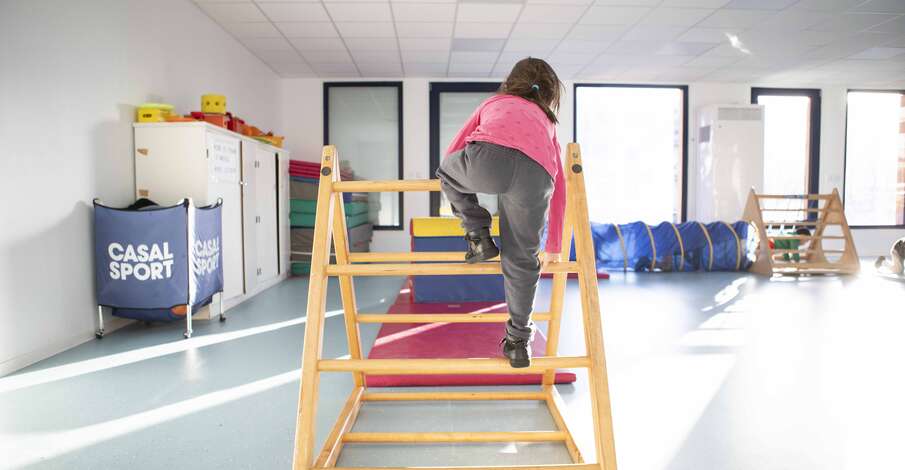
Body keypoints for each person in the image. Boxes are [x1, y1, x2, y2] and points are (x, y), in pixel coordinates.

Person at [436, 58, 566, 368]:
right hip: (536, 176)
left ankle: (478, 237)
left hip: (488, 161)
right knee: (522, 259)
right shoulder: (547, 121)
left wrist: (460, 171)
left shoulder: (494, 102)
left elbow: (454, 150)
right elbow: (559, 185)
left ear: (511, 82)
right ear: (549, 94)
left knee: (446, 172)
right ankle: (519, 342)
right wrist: (555, 245)